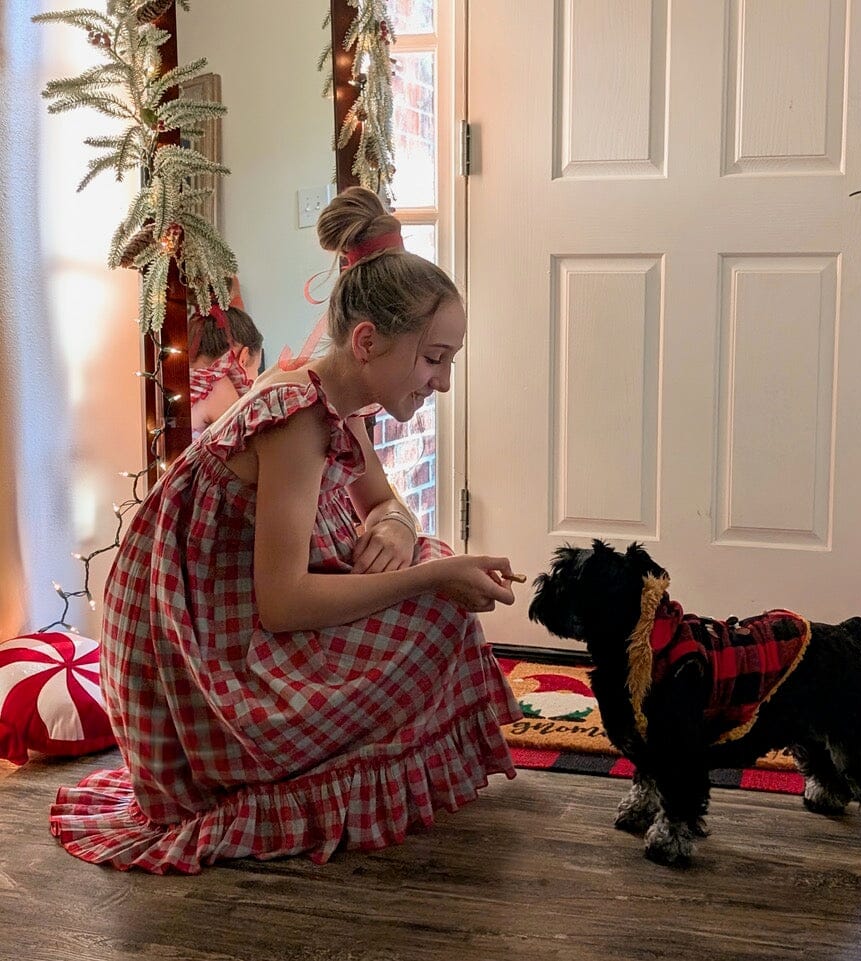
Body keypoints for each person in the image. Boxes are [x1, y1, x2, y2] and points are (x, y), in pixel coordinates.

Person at [50, 186, 523, 874]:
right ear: (367, 341)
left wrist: (392, 526)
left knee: (433, 566)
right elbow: (282, 602)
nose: (441, 382)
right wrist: (427, 574)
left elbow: (385, 502)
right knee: (438, 594)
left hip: (248, 624)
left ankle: (354, 759)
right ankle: (307, 776)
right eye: (433, 358)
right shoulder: (295, 414)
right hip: (210, 664)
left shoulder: (339, 395)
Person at [188, 303, 264, 437]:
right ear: (243, 358)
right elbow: (244, 448)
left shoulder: (182, 375)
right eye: (256, 369)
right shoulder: (217, 387)